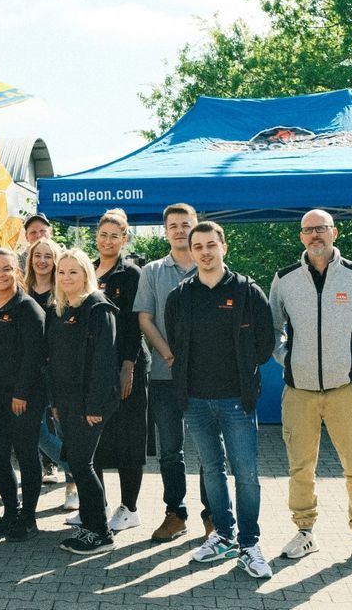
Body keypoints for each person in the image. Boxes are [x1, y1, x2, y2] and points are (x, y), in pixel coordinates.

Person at [269, 209, 352, 569]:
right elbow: (272, 328)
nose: (314, 236)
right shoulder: (285, 279)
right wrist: (286, 358)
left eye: (321, 229)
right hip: (299, 391)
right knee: (300, 468)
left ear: (334, 232)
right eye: (308, 231)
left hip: (345, 389)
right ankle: (305, 533)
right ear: (301, 237)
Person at [165, 221, 275, 578]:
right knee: (211, 470)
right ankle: (223, 536)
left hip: (236, 401)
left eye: (211, 245)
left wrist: (242, 372)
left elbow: (265, 343)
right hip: (195, 400)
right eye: (198, 247)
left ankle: (250, 544)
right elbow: (176, 341)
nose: (205, 252)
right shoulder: (181, 295)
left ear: (223, 247)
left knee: (246, 473)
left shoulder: (246, 291)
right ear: (191, 251)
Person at [133, 202, 212, 542]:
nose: (179, 229)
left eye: (186, 224)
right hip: (166, 375)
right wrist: (168, 355)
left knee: (211, 449)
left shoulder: (211, 266)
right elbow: (144, 318)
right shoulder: (151, 271)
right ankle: (175, 513)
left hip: (208, 377)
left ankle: (214, 516)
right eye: (173, 225)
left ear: (196, 227)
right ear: (165, 231)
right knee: (170, 450)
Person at [0, 248, 46, 541]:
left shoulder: (28, 309)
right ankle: (10, 512)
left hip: (23, 396)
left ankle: (28, 518)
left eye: (6, 269)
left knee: (27, 455)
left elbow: (34, 356)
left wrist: (22, 393)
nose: (0, 275)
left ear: (18, 271)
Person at [50, 248, 119, 555]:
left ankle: (100, 533)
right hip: (67, 402)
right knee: (77, 463)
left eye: (73, 272)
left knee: (81, 463)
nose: (66, 277)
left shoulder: (98, 308)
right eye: (61, 272)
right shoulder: (63, 309)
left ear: (86, 275)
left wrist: (93, 407)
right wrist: (55, 402)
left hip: (90, 404)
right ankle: (91, 526)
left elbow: (105, 363)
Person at [92, 209, 150, 533]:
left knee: (129, 440)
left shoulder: (131, 274)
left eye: (116, 235)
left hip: (128, 367)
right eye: (104, 234)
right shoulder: (87, 269)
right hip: (97, 369)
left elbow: (133, 324)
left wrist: (128, 366)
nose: (109, 240)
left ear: (125, 239)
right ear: (96, 236)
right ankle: (96, 503)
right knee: (94, 440)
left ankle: (130, 508)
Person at [24, 238, 79, 509]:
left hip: (58, 369)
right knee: (38, 431)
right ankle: (78, 469)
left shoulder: (63, 291)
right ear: (31, 259)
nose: (43, 260)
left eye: (48, 256)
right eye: (38, 255)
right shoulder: (22, 289)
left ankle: (73, 485)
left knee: (62, 428)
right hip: (29, 370)